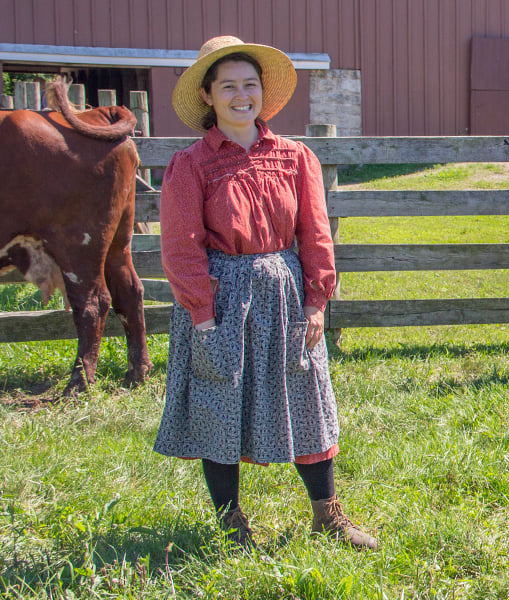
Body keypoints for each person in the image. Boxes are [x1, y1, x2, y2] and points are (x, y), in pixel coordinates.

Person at [153, 35, 376, 551]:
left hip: (287, 296)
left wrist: (318, 300)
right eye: (227, 86)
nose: (240, 95)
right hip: (221, 300)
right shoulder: (190, 165)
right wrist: (203, 317)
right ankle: (232, 524)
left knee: (307, 396)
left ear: (262, 92)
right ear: (208, 96)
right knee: (219, 404)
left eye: (249, 84)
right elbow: (181, 247)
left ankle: (328, 516)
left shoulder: (296, 157)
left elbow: (316, 234)